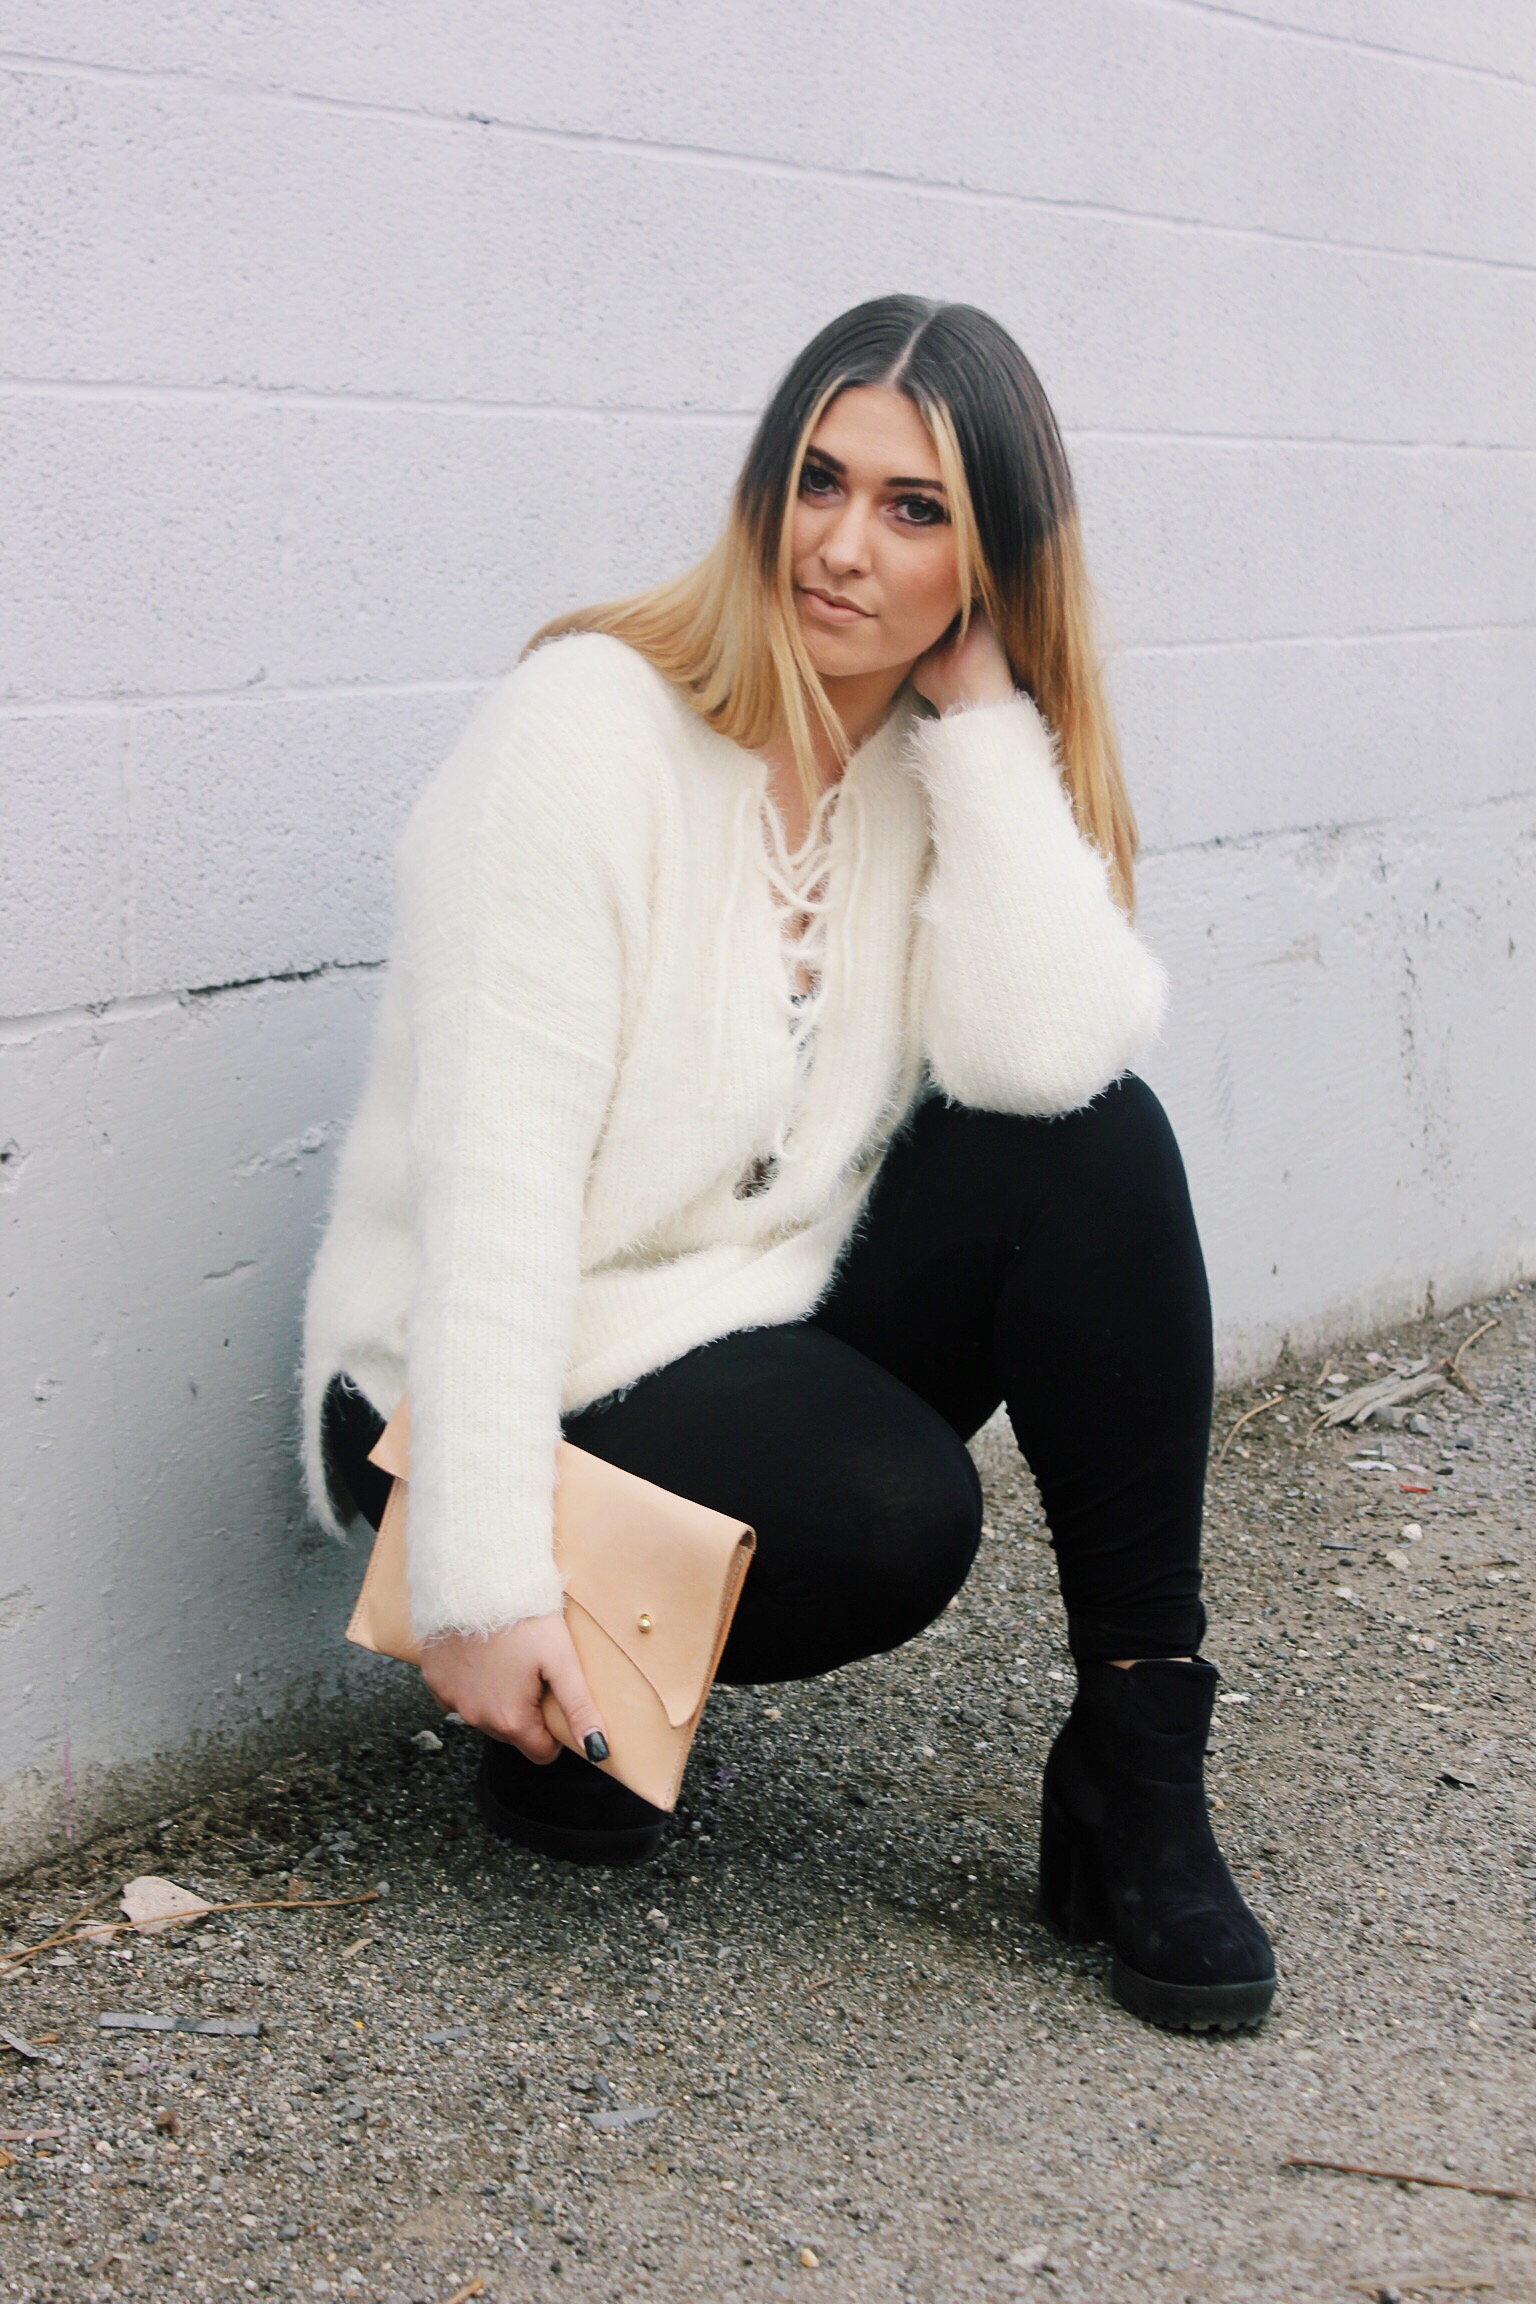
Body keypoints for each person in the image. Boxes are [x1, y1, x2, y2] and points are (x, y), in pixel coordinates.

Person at [302, 295, 1275, 2033]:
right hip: (472, 1376)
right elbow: (498, 1201)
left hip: (743, 1303)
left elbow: (1047, 1059)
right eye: (818, 481)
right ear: (764, 489)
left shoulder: (922, 763)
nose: (842, 547)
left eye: (916, 510)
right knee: (888, 1514)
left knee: (1099, 1145)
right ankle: (566, 1687)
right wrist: (480, 1585)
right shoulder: (582, 736)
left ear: (992, 562)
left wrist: (982, 721)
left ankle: (1138, 1764)